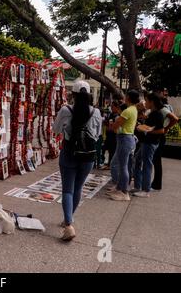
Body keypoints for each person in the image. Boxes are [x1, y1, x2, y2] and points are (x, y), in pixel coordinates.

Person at [53, 80, 102, 241]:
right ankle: (69, 219)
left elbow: (56, 130)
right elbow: (98, 134)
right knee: (78, 187)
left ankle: (68, 224)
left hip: (69, 152)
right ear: (88, 95)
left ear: (72, 94)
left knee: (68, 189)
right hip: (88, 155)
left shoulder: (65, 110)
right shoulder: (96, 112)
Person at [130, 92, 165, 197]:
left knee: (146, 165)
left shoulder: (157, 114)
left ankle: (145, 190)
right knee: (138, 161)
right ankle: (138, 186)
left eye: (147, 100)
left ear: (152, 102)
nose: (145, 103)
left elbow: (161, 131)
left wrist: (146, 130)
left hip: (150, 143)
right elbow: (150, 125)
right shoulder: (153, 113)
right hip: (147, 142)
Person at [108, 90, 140, 201]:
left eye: (126, 96)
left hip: (125, 139)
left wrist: (112, 124)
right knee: (123, 165)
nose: (124, 97)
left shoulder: (127, 111)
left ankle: (124, 192)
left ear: (129, 98)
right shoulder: (133, 109)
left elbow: (115, 125)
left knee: (123, 166)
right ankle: (120, 188)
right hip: (127, 138)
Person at [151, 96, 178, 191]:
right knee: (155, 160)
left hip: (160, 136)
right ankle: (155, 183)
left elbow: (175, 119)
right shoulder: (159, 110)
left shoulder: (163, 110)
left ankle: (156, 185)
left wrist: (166, 128)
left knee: (157, 160)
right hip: (159, 136)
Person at [102, 100, 121, 168]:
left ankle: (111, 165)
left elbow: (114, 126)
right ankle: (108, 163)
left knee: (112, 150)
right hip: (108, 135)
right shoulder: (111, 114)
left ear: (116, 107)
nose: (111, 108)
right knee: (106, 149)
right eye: (111, 107)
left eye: (113, 107)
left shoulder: (117, 116)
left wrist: (109, 127)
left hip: (113, 136)